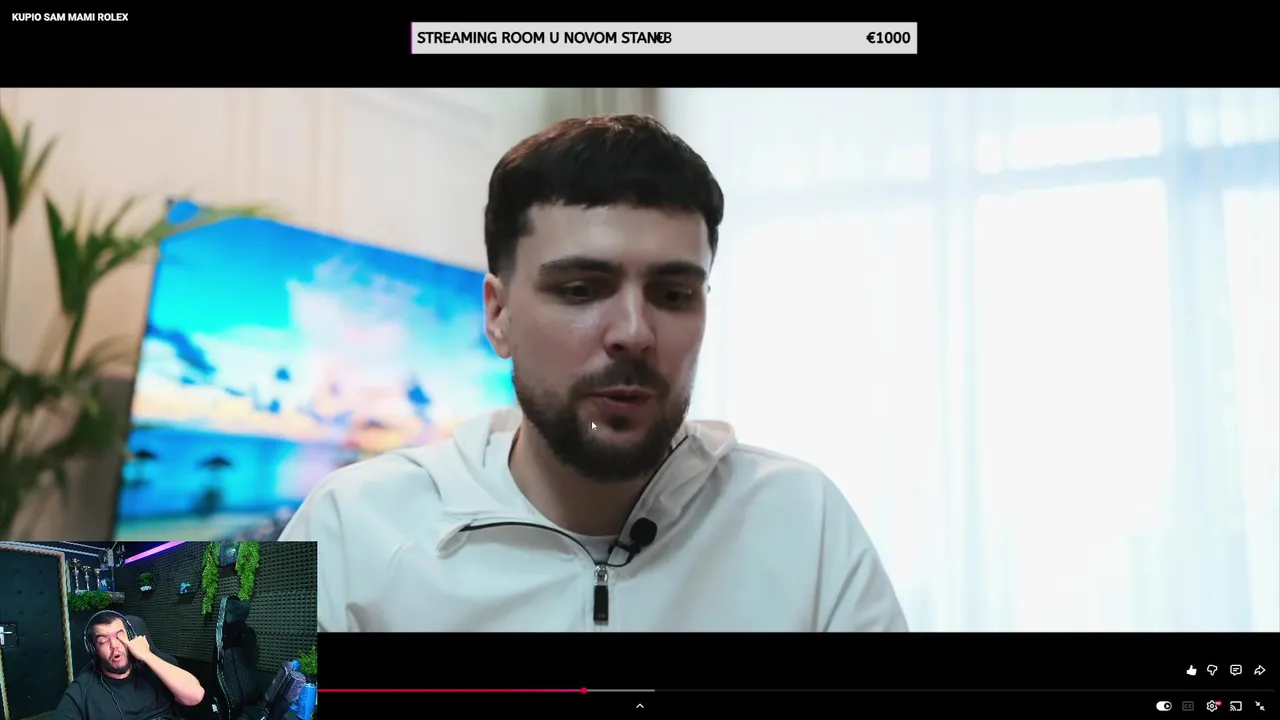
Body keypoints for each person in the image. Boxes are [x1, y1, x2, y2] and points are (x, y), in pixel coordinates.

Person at [280, 114, 909, 633]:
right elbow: (234, 693)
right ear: (498, 316)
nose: (634, 332)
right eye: (581, 289)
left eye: (673, 294)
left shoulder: (805, 521)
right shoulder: (342, 525)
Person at [56, 612, 205, 719]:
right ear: (94, 650)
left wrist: (147, 655)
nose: (114, 645)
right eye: (103, 641)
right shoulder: (83, 689)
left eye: (119, 635)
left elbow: (195, 696)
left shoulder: (155, 665)